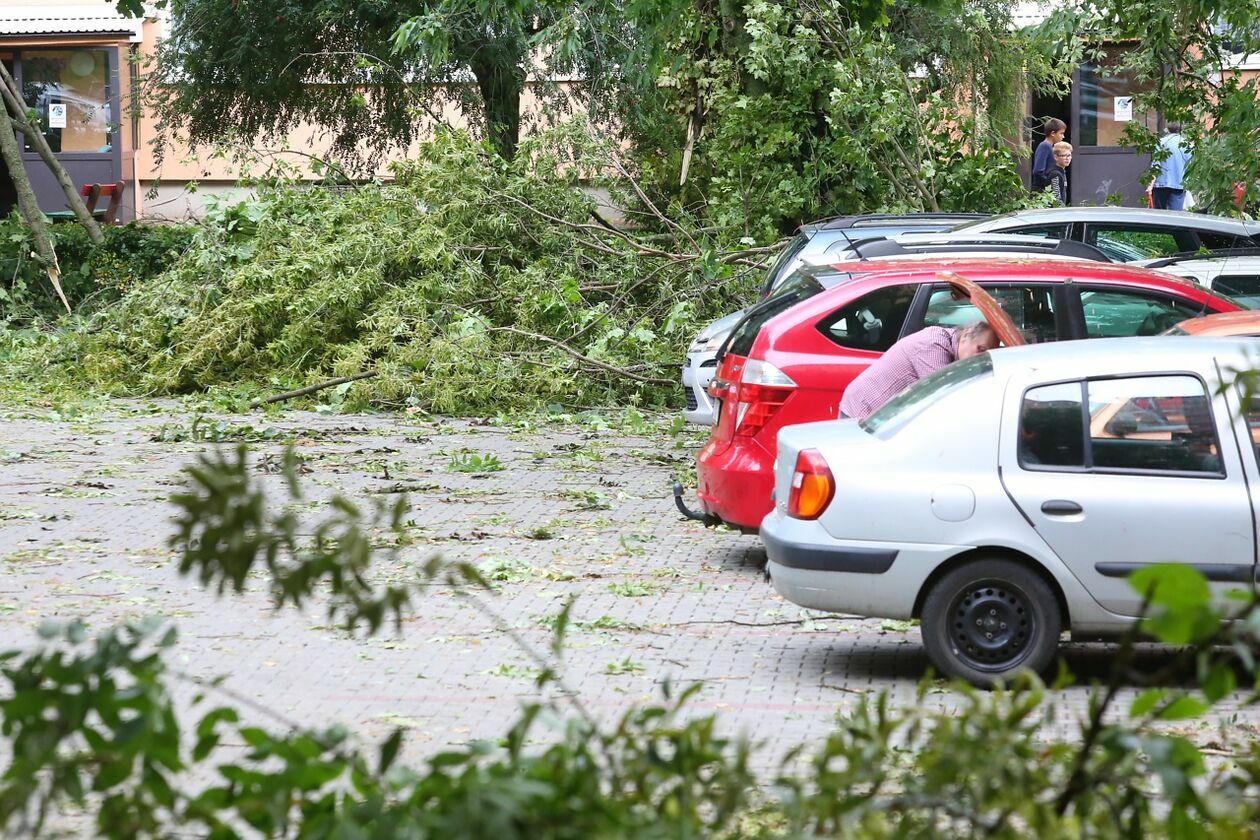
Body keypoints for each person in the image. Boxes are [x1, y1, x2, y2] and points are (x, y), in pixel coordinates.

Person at [839, 321, 1000, 422]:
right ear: (965, 336)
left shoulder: (948, 345)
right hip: (862, 412)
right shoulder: (934, 345)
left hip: (879, 416)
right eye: (981, 349)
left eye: (986, 354)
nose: (982, 358)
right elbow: (943, 398)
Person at [1149, 123, 1192, 210]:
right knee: (1176, 215)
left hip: (1161, 184)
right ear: (1181, 130)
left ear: (1168, 130)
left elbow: (1156, 164)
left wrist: (1150, 184)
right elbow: (1191, 165)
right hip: (1179, 183)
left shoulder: (1161, 142)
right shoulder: (1187, 144)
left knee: (1159, 214)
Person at [1031, 118, 1066, 193]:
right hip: (1041, 192)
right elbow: (1038, 171)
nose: (1063, 137)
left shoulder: (1050, 147)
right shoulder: (1045, 146)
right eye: (1061, 133)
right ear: (1053, 133)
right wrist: (1051, 183)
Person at [1045, 141, 1072, 205]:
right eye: (1064, 155)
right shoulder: (1055, 174)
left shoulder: (1062, 171)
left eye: (1069, 155)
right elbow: (1056, 198)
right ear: (1056, 157)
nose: (1067, 158)